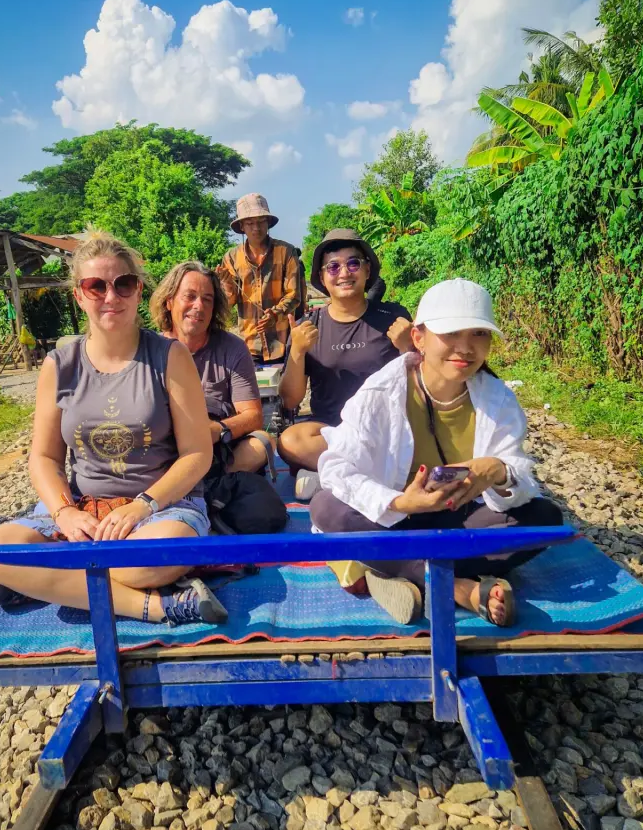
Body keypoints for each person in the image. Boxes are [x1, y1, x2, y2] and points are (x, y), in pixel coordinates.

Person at [0, 231, 227, 627]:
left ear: (138, 290)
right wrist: (63, 515)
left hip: (160, 507)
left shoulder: (169, 357)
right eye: (96, 286)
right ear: (79, 295)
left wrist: (142, 505)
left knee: (154, 556)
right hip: (83, 507)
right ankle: (159, 607)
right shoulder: (59, 364)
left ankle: (44, 580)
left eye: (123, 284)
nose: (111, 297)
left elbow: (197, 453)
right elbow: (43, 457)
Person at [311, 278, 564, 627]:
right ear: (419, 338)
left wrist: (497, 472)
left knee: (545, 518)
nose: (465, 347)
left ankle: (385, 569)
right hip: (392, 520)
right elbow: (336, 468)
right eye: (451, 334)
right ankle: (457, 587)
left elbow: (518, 473)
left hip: (457, 520)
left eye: (479, 334)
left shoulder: (497, 399)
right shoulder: (381, 392)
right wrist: (400, 503)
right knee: (326, 507)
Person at [277, 229, 412, 499]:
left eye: (353, 263)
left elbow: (426, 385)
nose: (344, 273)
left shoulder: (394, 318)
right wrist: (297, 353)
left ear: (367, 269)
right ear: (322, 278)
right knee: (290, 441)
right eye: (333, 266)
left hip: (387, 431)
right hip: (333, 432)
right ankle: (370, 475)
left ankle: (335, 476)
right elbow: (291, 400)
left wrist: (408, 347)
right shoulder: (308, 326)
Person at [150, 261, 273, 476]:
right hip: (166, 453)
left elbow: (253, 415)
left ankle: (206, 484)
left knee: (263, 443)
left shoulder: (232, 348)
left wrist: (216, 430)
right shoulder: (150, 351)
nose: (199, 306)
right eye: (189, 296)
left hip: (219, 448)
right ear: (169, 302)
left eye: (207, 299)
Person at [217, 193, 301, 365]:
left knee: (285, 390)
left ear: (268, 223)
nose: (256, 228)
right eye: (250, 223)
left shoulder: (286, 252)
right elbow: (230, 301)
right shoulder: (232, 257)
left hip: (282, 341)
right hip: (249, 344)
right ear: (242, 226)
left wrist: (275, 314)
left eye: (261, 221)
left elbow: (294, 295)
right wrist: (226, 283)